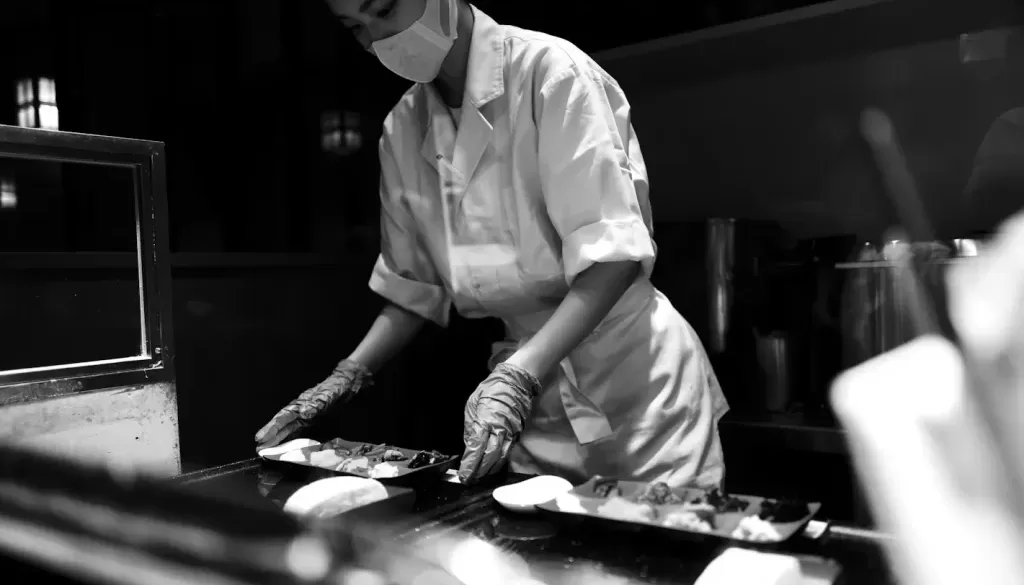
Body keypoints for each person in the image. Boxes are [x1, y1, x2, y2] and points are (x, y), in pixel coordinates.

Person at [255, 0, 730, 487]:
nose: (378, 38)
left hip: (636, 387)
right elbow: (413, 290)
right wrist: (344, 377)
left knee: (661, 552)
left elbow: (613, 256)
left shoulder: (550, 71)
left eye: (385, 8)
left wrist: (518, 376)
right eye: (356, 27)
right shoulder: (402, 128)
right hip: (532, 407)